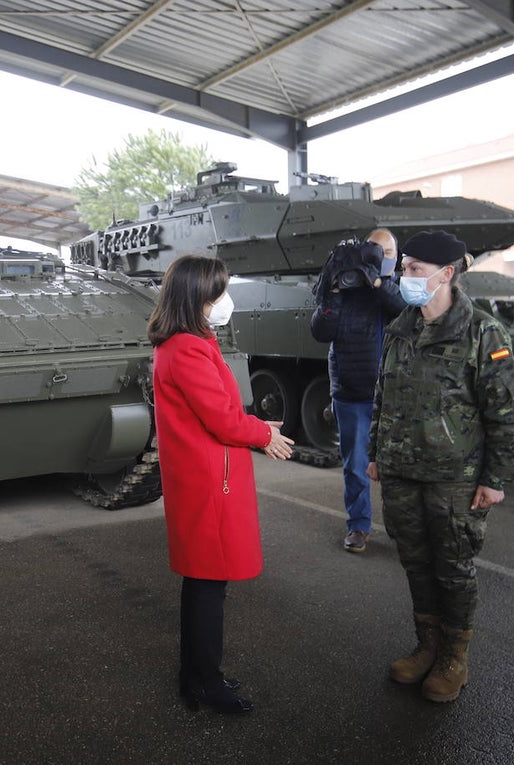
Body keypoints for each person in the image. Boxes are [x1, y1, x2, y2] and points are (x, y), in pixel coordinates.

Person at [366, 230, 514, 703]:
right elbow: (383, 396)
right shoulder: (401, 327)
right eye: (405, 267)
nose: (404, 277)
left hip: (455, 478)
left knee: (453, 567)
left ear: (446, 273)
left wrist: (496, 479)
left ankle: (455, 657)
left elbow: (507, 412)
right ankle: (427, 647)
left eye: (414, 269)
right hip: (401, 471)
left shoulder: (482, 332)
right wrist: (376, 454)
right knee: (415, 563)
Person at [147, 256, 294, 714]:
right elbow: (222, 420)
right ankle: (204, 683)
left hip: (205, 477)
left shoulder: (184, 342)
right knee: (209, 588)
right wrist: (263, 433)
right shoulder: (188, 348)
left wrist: (253, 426)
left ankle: (197, 677)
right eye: (218, 292)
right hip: (210, 482)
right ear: (197, 299)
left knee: (205, 584)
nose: (225, 300)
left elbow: (220, 412)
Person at [310, 229, 406, 553]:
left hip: (395, 395)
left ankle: (404, 530)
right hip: (352, 392)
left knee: (399, 467)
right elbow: (320, 330)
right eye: (376, 250)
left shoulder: (401, 287)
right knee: (355, 465)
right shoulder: (345, 287)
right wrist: (334, 291)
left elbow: (405, 312)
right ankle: (359, 526)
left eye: (388, 251)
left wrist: (377, 282)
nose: (382, 256)